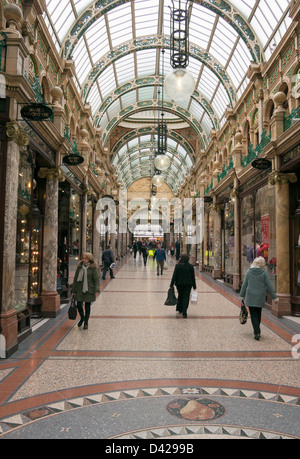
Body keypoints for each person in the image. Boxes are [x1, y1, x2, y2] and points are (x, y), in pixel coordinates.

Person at [240, 256, 278, 340]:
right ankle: (257, 330)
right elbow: (269, 286)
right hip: (260, 296)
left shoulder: (249, 272)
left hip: (250, 296)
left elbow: (244, 284)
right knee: (258, 313)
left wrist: (242, 295)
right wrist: (274, 298)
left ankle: (257, 332)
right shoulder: (264, 273)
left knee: (253, 314)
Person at [71, 253, 100, 329]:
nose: (84, 260)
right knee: (79, 305)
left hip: (89, 289)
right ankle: (82, 318)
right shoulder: (79, 267)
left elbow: (96, 279)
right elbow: (75, 278)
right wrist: (73, 289)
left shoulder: (93, 268)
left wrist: (97, 288)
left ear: (89, 259)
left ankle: (86, 322)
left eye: (86, 258)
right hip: (79, 289)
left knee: (87, 306)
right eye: (83, 258)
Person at [170, 254, 196, 318]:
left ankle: (180, 309)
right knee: (186, 297)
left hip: (179, 284)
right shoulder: (190, 266)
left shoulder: (178, 266)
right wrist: (194, 286)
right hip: (188, 284)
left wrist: (171, 284)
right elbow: (193, 277)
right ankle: (184, 311)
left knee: (180, 295)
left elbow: (174, 275)